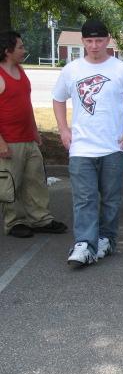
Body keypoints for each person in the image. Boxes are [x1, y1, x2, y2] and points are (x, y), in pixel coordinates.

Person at [52, 20, 123, 267]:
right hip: (81, 147)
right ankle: (85, 244)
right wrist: (63, 129)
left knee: (110, 198)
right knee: (85, 198)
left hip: (114, 147)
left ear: (108, 40)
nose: (94, 45)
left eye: (99, 40)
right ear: (82, 42)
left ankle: (106, 239)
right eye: (89, 41)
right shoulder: (71, 70)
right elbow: (57, 99)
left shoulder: (121, 70)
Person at [0, 30, 67, 238]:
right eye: (20, 47)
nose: (24, 50)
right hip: (9, 141)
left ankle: (40, 219)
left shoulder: (20, 70)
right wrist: (1, 143)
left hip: (28, 138)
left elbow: (26, 105)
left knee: (35, 181)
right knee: (11, 183)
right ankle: (14, 222)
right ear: (7, 51)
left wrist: (35, 132)